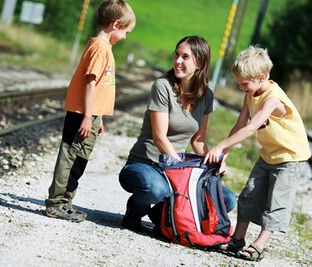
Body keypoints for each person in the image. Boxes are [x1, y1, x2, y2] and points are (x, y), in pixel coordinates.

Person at [204, 46, 311, 261]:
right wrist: (224, 151)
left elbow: (251, 127)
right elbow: (240, 124)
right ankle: (237, 239)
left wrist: (219, 146)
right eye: (238, 83)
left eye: (244, 83)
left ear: (262, 77)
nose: (240, 87)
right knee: (249, 194)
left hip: (290, 158)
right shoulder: (251, 94)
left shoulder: (273, 99)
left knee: (276, 202)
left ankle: (259, 245)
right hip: (269, 154)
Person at [119, 36, 236, 232]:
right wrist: (181, 168)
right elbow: (159, 137)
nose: (178, 61)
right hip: (145, 164)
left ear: (199, 64)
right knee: (156, 189)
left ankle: (161, 216)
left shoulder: (206, 95)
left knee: (227, 199)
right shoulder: (162, 86)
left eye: (185, 57)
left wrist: (215, 162)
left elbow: (198, 140)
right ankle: (134, 212)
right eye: (177, 55)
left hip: (176, 171)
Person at [45, 0, 136, 223]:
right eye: (126, 31)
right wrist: (87, 115)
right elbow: (90, 83)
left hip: (91, 114)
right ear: (116, 24)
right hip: (81, 114)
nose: (125, 36)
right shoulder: (100, 48)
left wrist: (98, 115)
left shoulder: (105, 48)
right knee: (70, 156)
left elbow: (101, 90)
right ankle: (56, 203)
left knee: (80, 159)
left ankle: (66, 202)